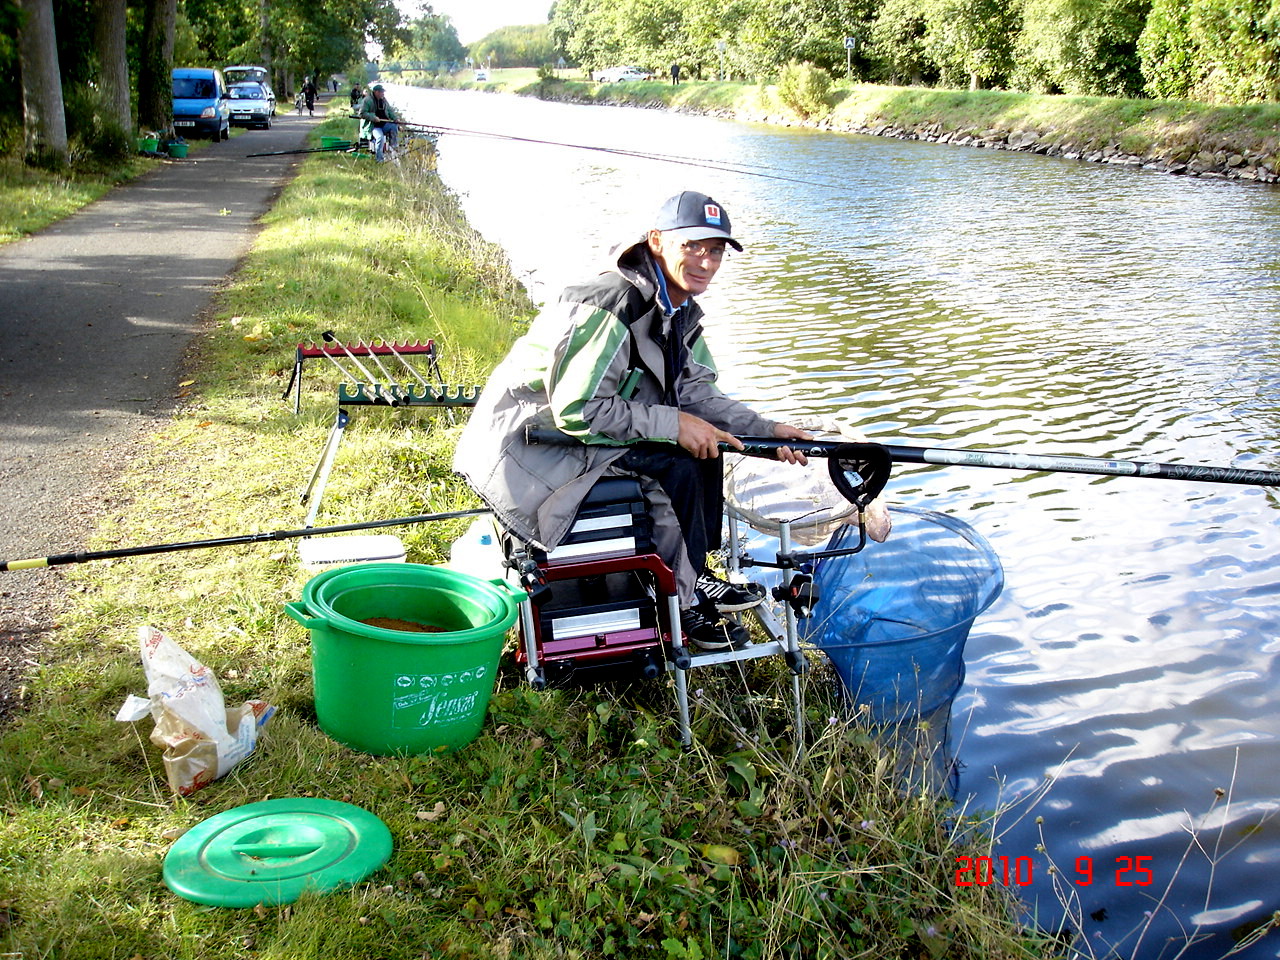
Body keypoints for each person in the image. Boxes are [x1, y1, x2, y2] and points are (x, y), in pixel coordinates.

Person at [453, 191, 813, 651]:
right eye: (693, 247)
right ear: (657, 241)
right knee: (676, 465)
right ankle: (683, 610)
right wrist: (674, 425)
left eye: (717, 251)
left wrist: (763, 429)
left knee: (707, 451)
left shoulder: (674, 309)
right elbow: (578, 410)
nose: (706, 261)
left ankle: (695, 575)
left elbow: (695, 392)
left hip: (578, 434)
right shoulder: (612, 303)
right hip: (533, 446)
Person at [357, 83, 400, 162]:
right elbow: (361, 113)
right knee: (380, 138)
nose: (383, 93)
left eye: (383, 92)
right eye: (381, 92)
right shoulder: (367, 100)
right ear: (376, 92)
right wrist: (373, 117)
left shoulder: (384, 100)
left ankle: (393, 148)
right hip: (373, 126)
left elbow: (390, 111)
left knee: (394, 127)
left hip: (383, 125)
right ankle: (379, 159)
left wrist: (395, 118)